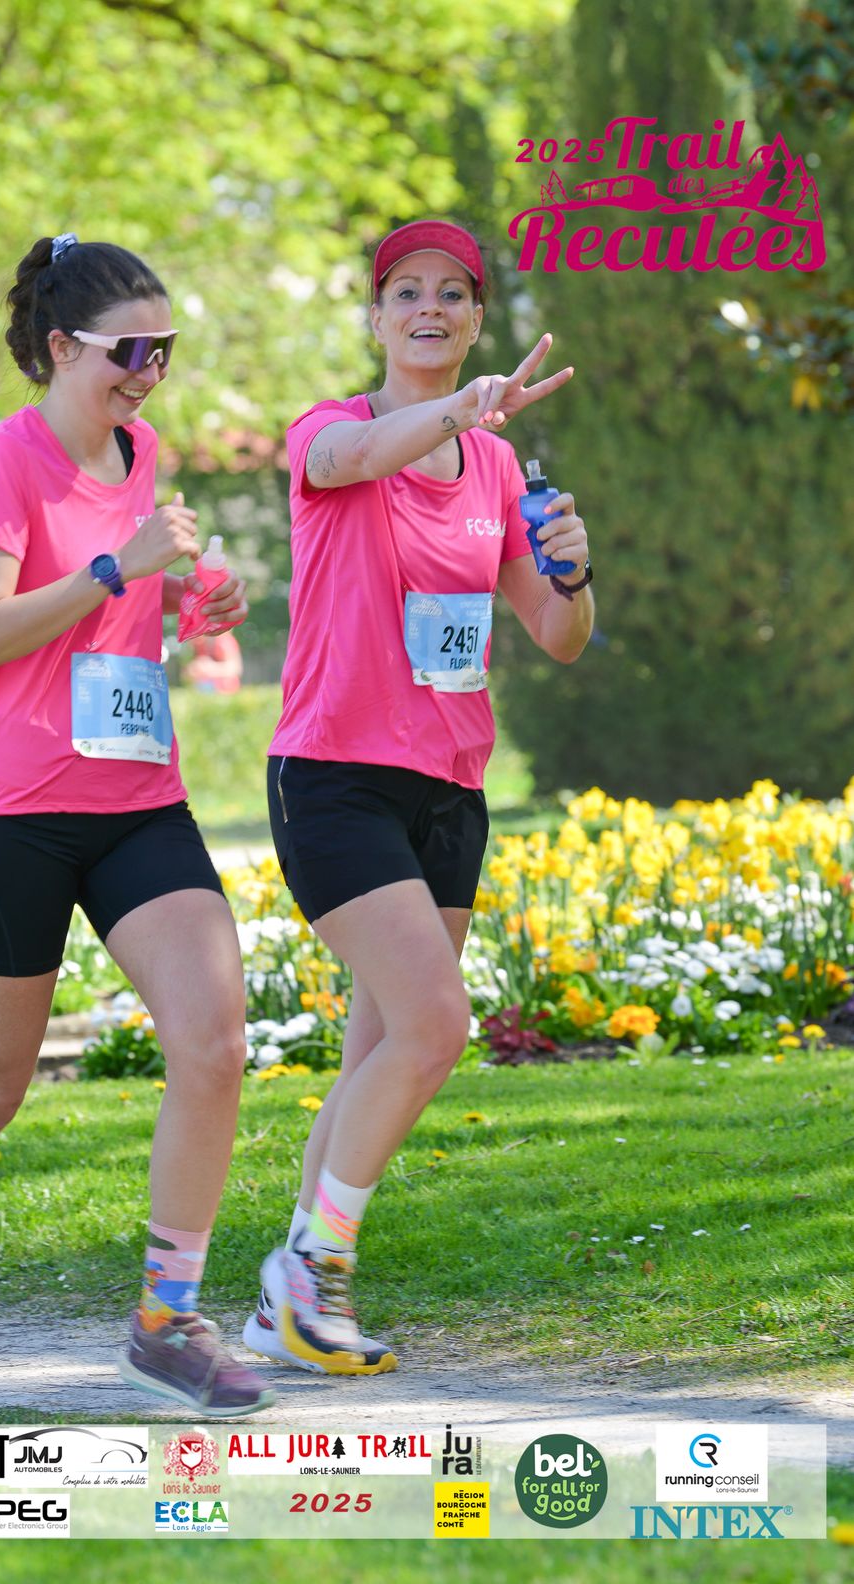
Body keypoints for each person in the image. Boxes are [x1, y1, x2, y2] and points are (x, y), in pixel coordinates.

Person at [0, 232, 272, 1419]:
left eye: (164, 349)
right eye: (128, 351)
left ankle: (166, 1317)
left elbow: (129, 606)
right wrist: (115, 566)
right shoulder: (7, 457)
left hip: (136, 799)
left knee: (214, 1040)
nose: (150, 372)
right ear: (59, 347)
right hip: (9, 814)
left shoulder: (145, 454)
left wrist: (192, 596)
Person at [244, 220, 595, 1375]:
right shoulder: (328, 430)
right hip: (335, 776)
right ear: (376, 316)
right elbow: (354, 457)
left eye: (452, 293)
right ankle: (316, 1271)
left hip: (449, 785)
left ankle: (287, 1292)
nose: (429, 309)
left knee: (380, 1051)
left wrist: (573, 568)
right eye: (406, 292)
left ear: (477, 318)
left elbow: (556, 634)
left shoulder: (496, 467)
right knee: (436, 1023)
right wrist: (461, 408)